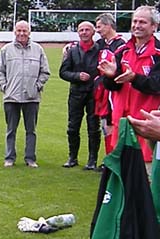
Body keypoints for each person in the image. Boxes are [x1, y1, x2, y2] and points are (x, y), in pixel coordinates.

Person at [98, 6, 160, 171]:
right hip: (123, 123)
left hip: (147, 126)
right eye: (135, 21)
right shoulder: (122, 51)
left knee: (146, 179)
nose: (137, 25)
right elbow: (112, 88)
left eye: (142, 22)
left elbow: (156, 85)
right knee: (123, 177)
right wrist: (110, 76)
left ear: (154, 26)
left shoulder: (158, 54)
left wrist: (135, 78)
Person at [0, 20, 50, 168]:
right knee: (10, 130)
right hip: (11, 97)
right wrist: (5, 87)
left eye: (24, 31)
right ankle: (9, 158)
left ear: (29, 32)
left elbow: (45, 71)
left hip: (32, 98)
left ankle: (30, 158)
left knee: (31, 130)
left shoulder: (38, 49)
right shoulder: (6, 50)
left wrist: (37, 86)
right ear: (14, 31)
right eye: (19, 30)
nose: (21, 33)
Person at [59, 21, 101, 170]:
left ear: (93, 32)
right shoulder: (72, 51)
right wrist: (77, 76)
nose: (84, 32)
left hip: (93, 94)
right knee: (73, 127)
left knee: (93, 127)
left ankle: (92, 160)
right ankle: (72, 157)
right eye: (81, 30)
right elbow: (63, 72)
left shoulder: (100, 50)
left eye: (87, 30)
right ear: (78, 33)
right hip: (76, 93)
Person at [94, 13, 126, 157]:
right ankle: (109, 159)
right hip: (102, 92)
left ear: (108, 26)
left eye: (99, 27)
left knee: (113, 124)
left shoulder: (121, 45)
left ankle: (114, 159)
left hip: (114, 92)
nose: (97, 30)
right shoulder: (101, 44)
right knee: (105, 125)